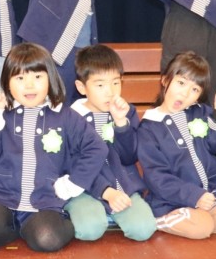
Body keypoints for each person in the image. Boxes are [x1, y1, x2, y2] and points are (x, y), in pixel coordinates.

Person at [0, 43, 108, 252]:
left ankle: (38, 227)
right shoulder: (0, 113)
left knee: (47, 238)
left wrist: (73, 183)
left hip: (44, 201)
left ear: (50, 78)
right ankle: (18, 229)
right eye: (20, 78)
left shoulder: (65, 116)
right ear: (7, 82)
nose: (29, 85)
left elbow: (96, 148)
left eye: (37, 76)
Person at [137, 51, 216, 239]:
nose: (185, 93)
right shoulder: (149, 128)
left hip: (211, 194)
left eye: (195, 89)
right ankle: (160, 220)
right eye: (181, 83)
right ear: (165, 80)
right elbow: (157, 176)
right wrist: (194, 196)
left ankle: (202, 215)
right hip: (173, 201)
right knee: (201, 227)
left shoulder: (201, 112)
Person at [64, 45, 156, 242]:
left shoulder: (126, 112)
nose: (110, 92)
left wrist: (121, 123)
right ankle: (94, 212)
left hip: (122, 185)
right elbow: (72, 166)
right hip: (84, 189)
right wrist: (105, 191)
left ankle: (108, 213)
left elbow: (129, 157)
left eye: (115, 83)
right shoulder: (70, 119)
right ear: (81, 87)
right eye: (100, 85)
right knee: (90, 229)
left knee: (143, 229)